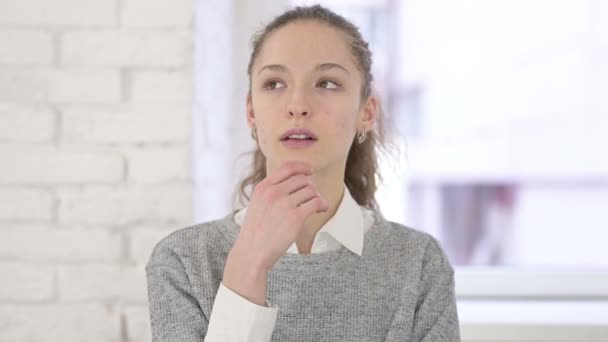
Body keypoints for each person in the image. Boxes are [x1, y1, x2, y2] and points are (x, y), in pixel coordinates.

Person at [146, 4, 460, 342]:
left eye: (326, 83)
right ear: (252, 112)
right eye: (275, 83)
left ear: (365, 114)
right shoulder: (182, 261)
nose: (298, 104)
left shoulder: (419, 263)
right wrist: (248, 265)